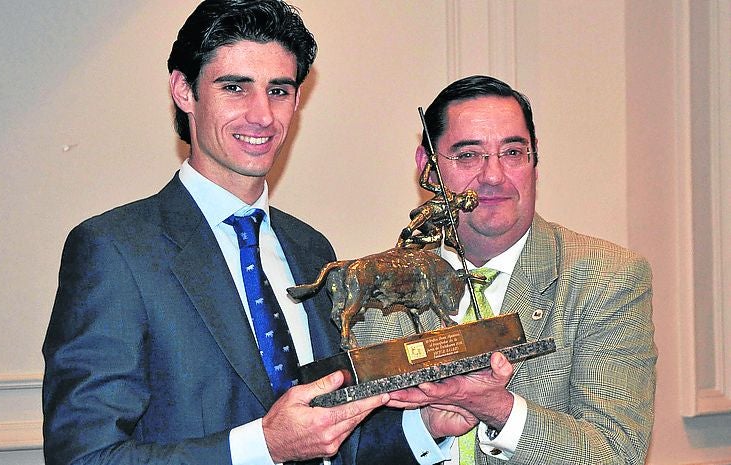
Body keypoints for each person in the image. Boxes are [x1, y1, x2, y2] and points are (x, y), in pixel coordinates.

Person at [42, 2, 447, 464]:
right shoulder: (114, 250)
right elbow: (84, 457)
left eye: (279, 90)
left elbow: (333, 441)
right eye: (235, 87)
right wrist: (262, 447)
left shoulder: (311, 249)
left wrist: (428, 425)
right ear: (184, 90)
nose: (261, 115)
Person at [364, 75, 658, 464]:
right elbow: (350, 448)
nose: (493, 176)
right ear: (429, 168)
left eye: (513, 152)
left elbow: (617, 454)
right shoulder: (376, 287)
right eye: (468, 155)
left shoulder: (609, 278)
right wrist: (427, 427)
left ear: (535, 161)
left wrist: (500, 409)